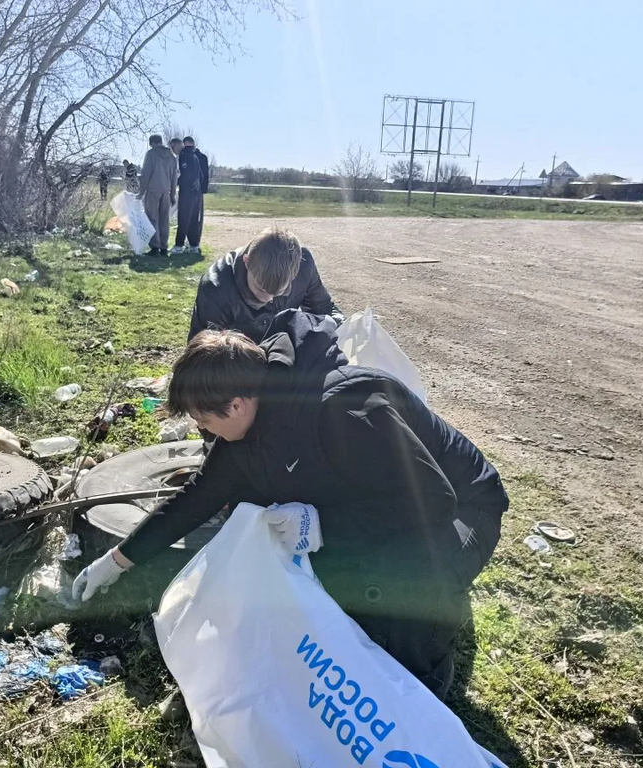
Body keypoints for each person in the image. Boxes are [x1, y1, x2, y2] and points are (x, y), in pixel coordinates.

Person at [71, 310, 508, 700]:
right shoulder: (245, 428)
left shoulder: (348, 407)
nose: (205, 432)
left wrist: (323, 525)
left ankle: (426, 674)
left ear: (236, 405)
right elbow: (197, 498)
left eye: (205, 421)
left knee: (409, 573)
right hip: (374, 499)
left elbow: (432, 501)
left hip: (463, 507)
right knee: (321, 577)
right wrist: (117, 560)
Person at [189, 226, 344, 342]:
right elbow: (205, 353)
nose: (269, 299)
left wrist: (345, 326)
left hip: (281, 356)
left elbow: (323, 308)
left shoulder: (304, 265)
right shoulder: (216, 289)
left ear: (296, 271)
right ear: (247, 262)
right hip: (237, 363)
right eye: (261, 288)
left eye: (280, 292)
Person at [138, 134, 178, 257]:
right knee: (164, 220)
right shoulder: (172, 156)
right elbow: (174, 178)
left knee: (152, 219)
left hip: (153, 191)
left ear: (152, 143)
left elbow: (146, 174)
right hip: (166, 192)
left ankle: (155, 247)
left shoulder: (151, 154)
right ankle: (164, 248)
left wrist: (141, 192)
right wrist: (172, 194)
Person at [170, 137, 202, 255]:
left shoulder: (184, 156)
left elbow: (185, 175)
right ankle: (194, 245)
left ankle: (179, 245)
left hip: (187, 193)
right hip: (196, 193)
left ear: (182, 144)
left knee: (183, 219)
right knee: (193, 220)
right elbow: (201, 175)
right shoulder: (195, 156)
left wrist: (175, 183)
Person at [182, 136, 208, 246]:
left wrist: (202, 190)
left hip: (195, 190)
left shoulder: (198, 157)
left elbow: (204, 175)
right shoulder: (200, 156)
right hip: (197, 190)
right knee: (194, 217)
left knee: (195, 217)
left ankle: (195, 240)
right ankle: (192, 240)